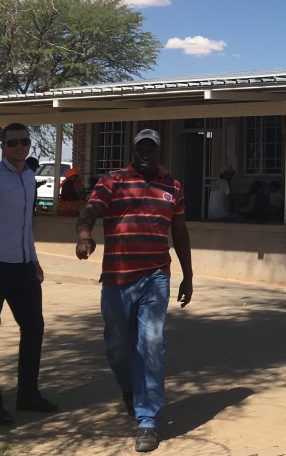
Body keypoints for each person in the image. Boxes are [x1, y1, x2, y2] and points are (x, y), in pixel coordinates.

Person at [75, 128, 193, 454]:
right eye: (140, 148)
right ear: (132, 151)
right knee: (117, 346)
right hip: (116, 279)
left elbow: (180, 233)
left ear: (160, 152)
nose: (145, 154)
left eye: (151, 149)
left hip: (156, 277)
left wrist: (189, 275)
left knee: (151, 343)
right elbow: (90, 210)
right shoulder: (112, 181)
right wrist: (84, 234)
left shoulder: (173, 186)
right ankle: (129, 388)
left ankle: (147, 420)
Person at [0, 123, 57, 426]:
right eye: (13, 142)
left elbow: (24, 226)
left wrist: (34, 260)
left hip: (23, 268)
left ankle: (27, 394)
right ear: (3, 145)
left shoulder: (29, 177)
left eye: (25, 142)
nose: (20, 147)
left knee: (34, 328)